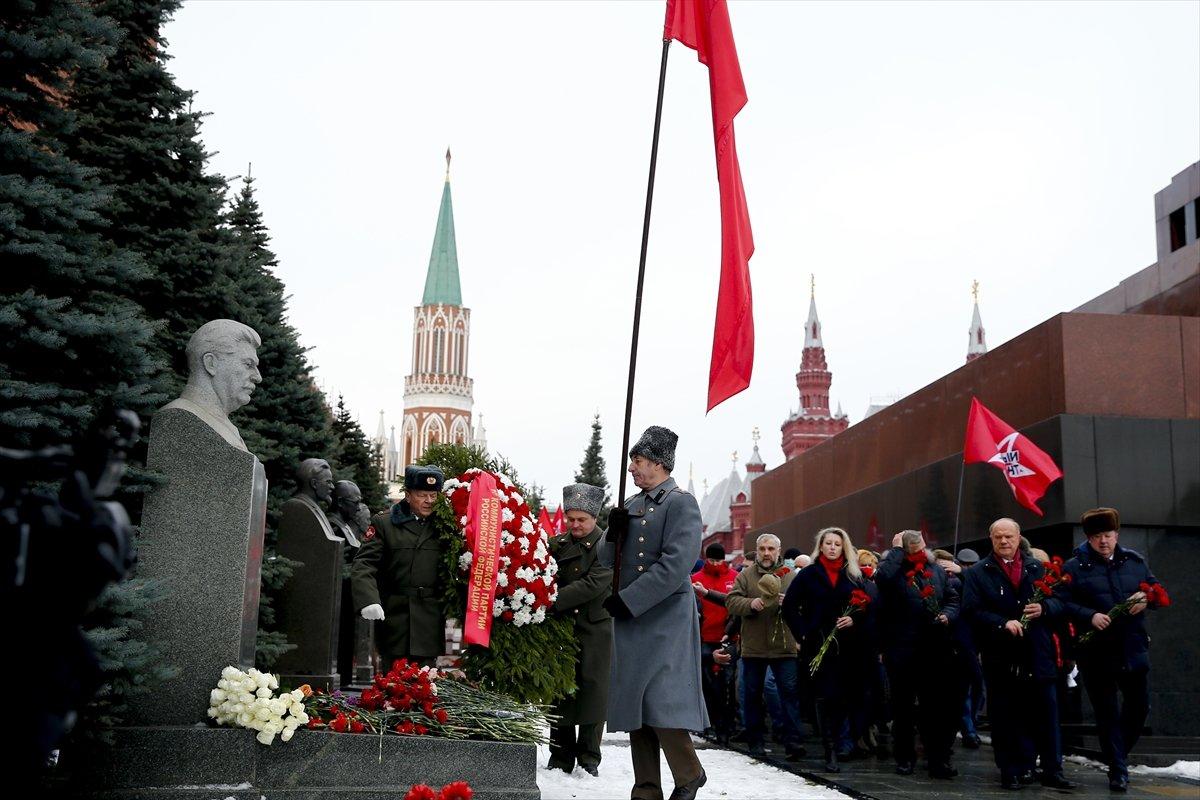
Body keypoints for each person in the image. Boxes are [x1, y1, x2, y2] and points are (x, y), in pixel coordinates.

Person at [604, 426, 708, 800]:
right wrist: (610, 533)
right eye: (633, 460)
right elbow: (606, 560)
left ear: (660, 463)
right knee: (636, 705)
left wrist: (630, 600)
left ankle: (689, 772)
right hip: (633, 618)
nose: (632, 467)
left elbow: (677, 563)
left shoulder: (681, 503)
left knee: (660, 702)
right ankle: (646, 789)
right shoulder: (632, 505)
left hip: (664, 616)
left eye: (639, 460)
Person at [962, 518, 1074, 791]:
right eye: (998, 536)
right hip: (1001, 655)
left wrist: (1044, 609)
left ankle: (1052, 769)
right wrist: (1002, 623)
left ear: (1018, 537)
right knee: (1005, 717)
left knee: (1045, 714)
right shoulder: (978, 572)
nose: (1004, 541)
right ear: (991, 538)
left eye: (1009, 536)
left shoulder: (1038, 568)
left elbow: (1062, 602)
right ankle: (1011, 769)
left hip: (1038, 653)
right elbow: (972, 611)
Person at [1062, 508, 1163, 793]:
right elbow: (1062, 603)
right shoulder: (1074, 567)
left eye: (1108, 535)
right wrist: (1089, 615)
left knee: (1139, 707)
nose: (1103, 541)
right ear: (1088, 538)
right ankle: (1118, 771)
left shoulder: (1134, 561)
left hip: (1132, 646)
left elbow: (1156, 588)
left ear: (1117, 534)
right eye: (1097, 537)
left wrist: (1147, 598)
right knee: (1106, 712)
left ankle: (1115, 753)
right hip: (1097, 652)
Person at [783, 527, 875, 773]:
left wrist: (855, 619)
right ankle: (830, 748)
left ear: (843, 547)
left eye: (837, 543)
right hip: (818, 643)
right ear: (820, 546)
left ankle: (844, 741)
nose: (832, 547)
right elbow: (789, 605)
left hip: (848, 645)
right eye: (828, 543)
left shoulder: (853, 575)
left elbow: (869, 607)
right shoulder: (809, 574)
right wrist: (801, 632)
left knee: (845, 696)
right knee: (824, 696)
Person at [876, 531, 962, 778]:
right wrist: (895, 550)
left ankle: (938, 759)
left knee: (935, 708)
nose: (919, 551)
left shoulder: (935, 570)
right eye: (912, 548)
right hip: (901, 648)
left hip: (934, 648)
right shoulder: (894, 570)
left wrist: (947, 614)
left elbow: (953, 598)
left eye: (921, 546)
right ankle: (904, 757)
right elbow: (882, 579)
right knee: (902, 708)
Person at [350, 465, 446, 667]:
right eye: (422, 495)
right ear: (408, 495)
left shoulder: (444, 527)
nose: (429, 501)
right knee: (392, 686)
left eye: (433, 495)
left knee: (426, 690)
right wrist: (368, 600)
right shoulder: (385, 523)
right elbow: (364, 563)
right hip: (395, 620)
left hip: (429, 620)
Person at [547, 483, 613, 776]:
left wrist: (548, 601)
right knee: (559, 690)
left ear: (594, 518)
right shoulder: (557, 544)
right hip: (562, 629)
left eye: (581, 520)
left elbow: (592, 584)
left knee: (592, 690)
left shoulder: (607, 546)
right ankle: (560, 755)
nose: (574, 525)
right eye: (570, 519)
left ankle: (589, 756)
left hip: (594, 628)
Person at [725, 533, 807, 760]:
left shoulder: (791, 577)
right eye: (762, 549)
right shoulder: (746, 575)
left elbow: (806, 606)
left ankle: (793, 743)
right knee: (752, 696)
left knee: (789, 695)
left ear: (779, 551)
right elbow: (731, 601)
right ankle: (755, 743)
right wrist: (750, 603)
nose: (767, 553)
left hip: (784, 647)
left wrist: (790, 604)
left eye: (771, 549)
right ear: (757, 551)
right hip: (754, 648)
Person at [935, 547, 984, 749]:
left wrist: (961, 574)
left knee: (975, 685)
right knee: (957, 690)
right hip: (942, 641)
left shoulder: (964, 581)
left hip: (966, 641)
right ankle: (967, 729)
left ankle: (970, 724)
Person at [692, 542, 738, 744]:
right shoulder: (696, 579)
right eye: (711, 560)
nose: (715, 564)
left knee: (727, 686)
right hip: (704, 639)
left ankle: (726, 728)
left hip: (727, 638)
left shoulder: (735, 578)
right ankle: (708, 725)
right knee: (707, 685)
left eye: (718, 560)